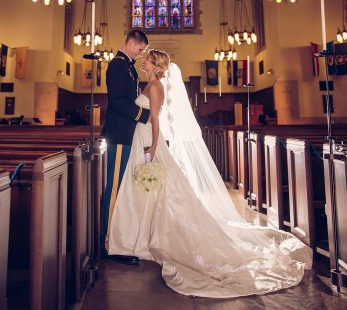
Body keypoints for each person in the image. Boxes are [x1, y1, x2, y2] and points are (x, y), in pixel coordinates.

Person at [107, 49, 312, 298]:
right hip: (141, 137)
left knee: (161, 192)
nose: (143, 59)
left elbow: (156, 120)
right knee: (148, 192)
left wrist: (152, 145)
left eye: (147, 57)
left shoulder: (157, 86)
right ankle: (138, 238)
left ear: (154, 63)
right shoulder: (149, 83)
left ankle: (148, 239)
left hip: (149, 140)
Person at [100, 29, 150, 264]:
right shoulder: (118, 65)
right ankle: (108, 244)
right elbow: (117, 101)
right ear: (131, 43)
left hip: (126, 135)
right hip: (119, 135)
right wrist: (144, 115)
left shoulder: (127, 66)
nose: (142, 54)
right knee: (114, 191)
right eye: (140, 49)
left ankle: (117, 240)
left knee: (121, 189)